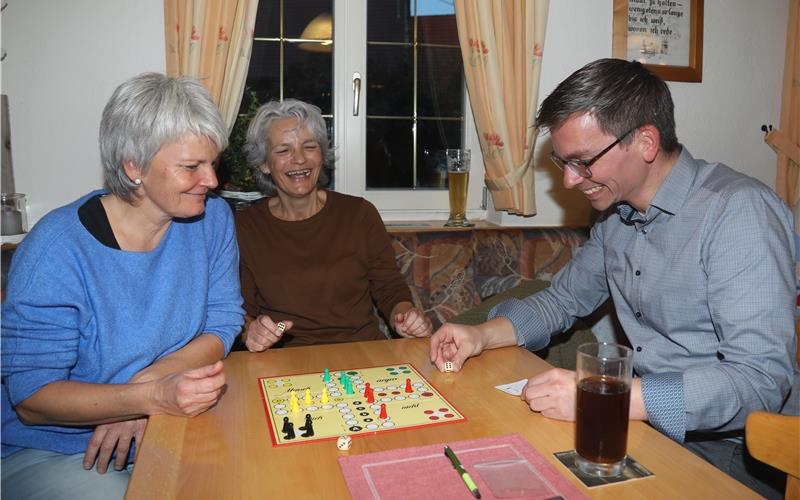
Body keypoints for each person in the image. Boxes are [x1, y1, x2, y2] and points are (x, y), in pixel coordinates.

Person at [429, 58, 798, 498]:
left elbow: (759, 381)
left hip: (739, 455)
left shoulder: (739, 213)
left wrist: (607, 398)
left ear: (644, 141)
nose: (568, 180)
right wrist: (481, 336)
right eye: (562, 162)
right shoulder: (616, 218)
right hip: (646, 426)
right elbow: (560, 302)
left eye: (582, 162)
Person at [1, 73, 244, 499]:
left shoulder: (213, 221)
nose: (210, 180)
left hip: (167, 424)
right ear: (134, 167)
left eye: (212, 163)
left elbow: (222, 323)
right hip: (52, 450)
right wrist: (148, 398)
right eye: (191, 167)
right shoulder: (56, 251)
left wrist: (146, 395)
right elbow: (32, 398)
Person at [235, 99, 432, 351]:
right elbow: (240, 311)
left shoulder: (359, 214)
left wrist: (405, 317)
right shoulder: (246, 227)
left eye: (309, 146)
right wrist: (251, 330)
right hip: (284, 364)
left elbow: (389, 288)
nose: (299, 159)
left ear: (322, 156)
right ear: (263, 164)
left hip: (362, 353)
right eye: (283, 150)